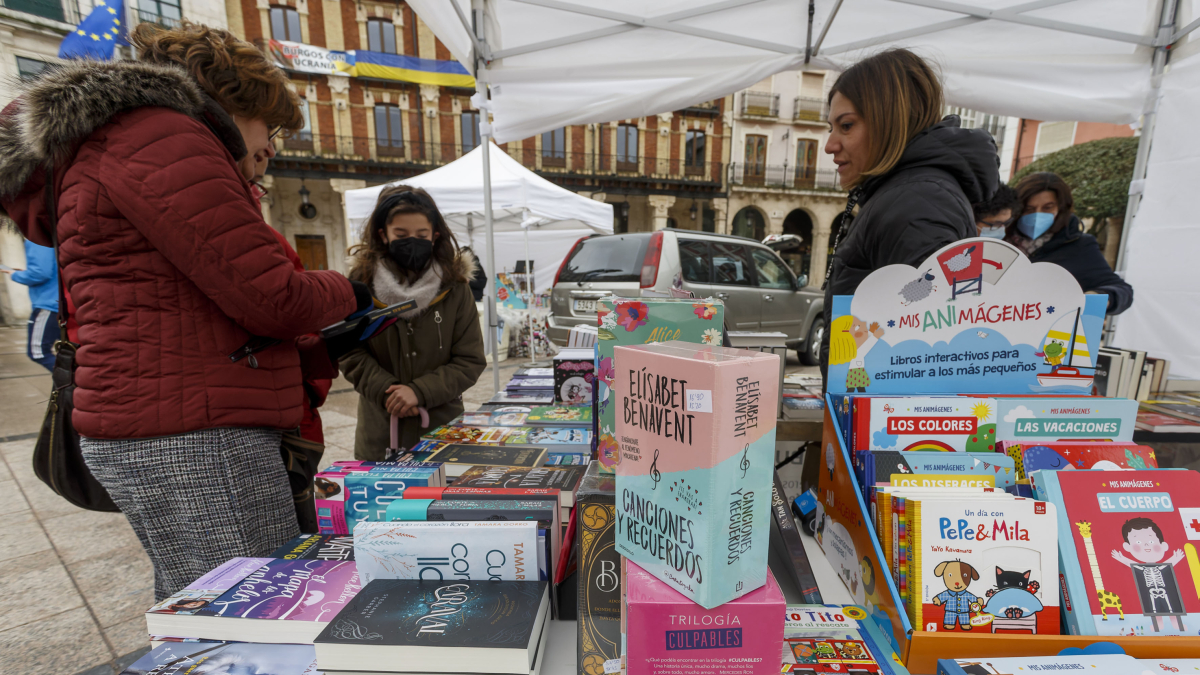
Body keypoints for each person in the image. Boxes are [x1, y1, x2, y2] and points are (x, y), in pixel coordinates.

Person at [0, 22, 372, 600]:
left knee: (199, 604)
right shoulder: (161, 136)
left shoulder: (121, 141)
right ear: (229, 100)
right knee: (257, 613)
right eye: (266, 126)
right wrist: (352, 290)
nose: (271, 146)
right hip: (194, 435)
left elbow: (188, 303)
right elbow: (274, 298)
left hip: (167, 420)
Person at [820, 48, 1000, 378]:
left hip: (888, 421)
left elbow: (922, 351)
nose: (830, 144)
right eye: (831, 127)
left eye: (846, 126)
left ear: (890, 121)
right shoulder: (908, 193)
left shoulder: (916, 201)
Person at [341, 187, 487, 460]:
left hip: (442, 432)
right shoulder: (359, 285)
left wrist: (419, 392)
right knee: (381, 500)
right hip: (381, 432)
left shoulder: (454, 287)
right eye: (401, 235)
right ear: (383, 235)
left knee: (442, 500)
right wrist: (390, 393)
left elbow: (470, 359)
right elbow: (349, 352)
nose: (412, 242)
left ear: (435, 236)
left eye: (421, 236)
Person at [1008, 172, 1133, 315]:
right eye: (1029, 209)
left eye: (1048, 207)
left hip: (1048, 330)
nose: (1037, 215)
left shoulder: (1079, 245)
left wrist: (1098, 296)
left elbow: (1121, 290)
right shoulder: (999, 240)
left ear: (1061, 208)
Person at [3, 240, 59, 370]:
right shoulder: (58, 232)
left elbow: (40, 273)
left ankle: (74, 384)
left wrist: (15, 274)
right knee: (72, 349)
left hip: (49, 304)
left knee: (38, 353)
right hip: (60, 301)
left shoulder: (37, 236)